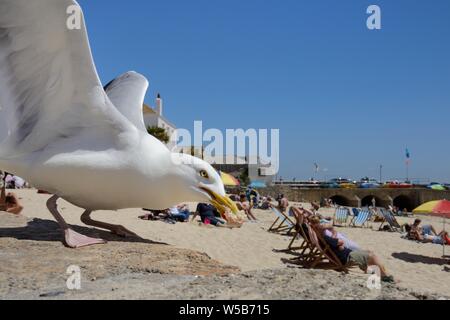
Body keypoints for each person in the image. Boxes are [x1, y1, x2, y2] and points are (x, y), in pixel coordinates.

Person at [323, 234, 395, 283]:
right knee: (372, 256)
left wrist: (339, 244)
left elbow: (338, 243)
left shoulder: (321, 237)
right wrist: (340, 243)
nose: (322, 224)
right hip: (347, 257)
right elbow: (341, 241)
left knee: (369, 251)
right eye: (320, 223)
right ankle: (384, 276)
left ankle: (369, 270)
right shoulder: (325, 237)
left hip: (347, 254)